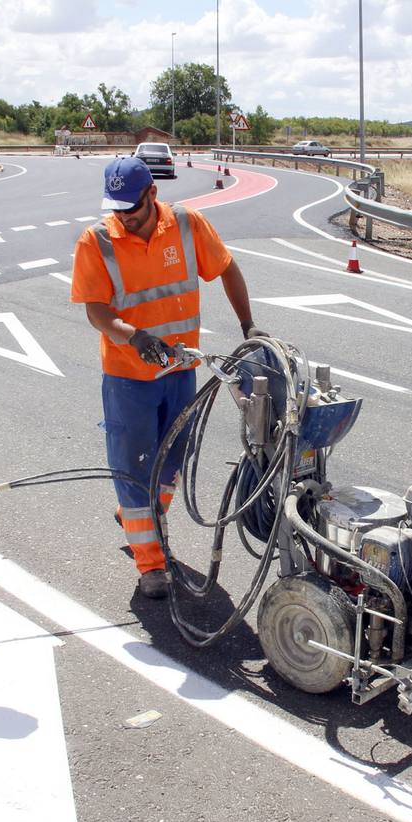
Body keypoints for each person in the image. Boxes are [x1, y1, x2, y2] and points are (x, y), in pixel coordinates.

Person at [70, 156, 265, 599]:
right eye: (116, 208)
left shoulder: (185, 224)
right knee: (136, 467)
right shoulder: (96, 241)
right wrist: (131, 336)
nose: (123, 217)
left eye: (131, 209)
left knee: (173, 461)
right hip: (128, 377)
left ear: (152, 194)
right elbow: (96, 310)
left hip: (180, 371)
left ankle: (139, 517)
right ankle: (151, 564)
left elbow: (226, 269)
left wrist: (247, 326)